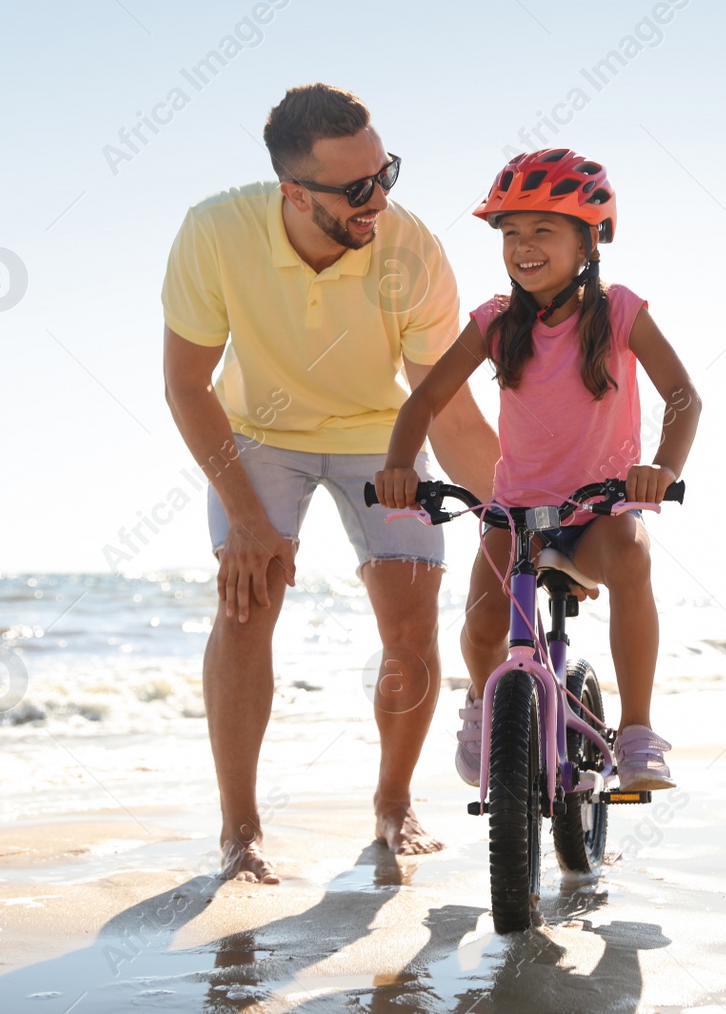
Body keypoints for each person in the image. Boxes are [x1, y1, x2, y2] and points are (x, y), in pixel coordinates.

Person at [161, 84, 499, 879]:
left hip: (383, 432)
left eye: (385, 175)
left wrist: (515, 507)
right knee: (247, 597)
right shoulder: (216, 232)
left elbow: (446, 412)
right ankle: (239, 830)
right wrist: (247, 520)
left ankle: (393, 803)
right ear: (293, 192)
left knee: (412, 617)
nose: (377, 200)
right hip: (259, 434)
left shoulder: (410, 249)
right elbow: (186, 386)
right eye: (355, 189)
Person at [373, 148, 701, 791]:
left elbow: (683, 398)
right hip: (516, 510)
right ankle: (479, 704)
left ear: (590, 237)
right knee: (482, 621)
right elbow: (425, 401)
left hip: (598, 510)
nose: (523, 246)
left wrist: (660, 468)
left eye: (542, 230)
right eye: (510, 233)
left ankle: (636, 733)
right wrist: (398, 466)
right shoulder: (495, 321)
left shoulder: (621, 311)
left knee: (632, 556)